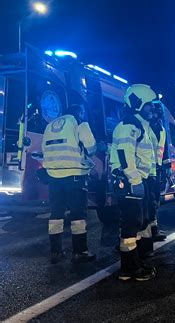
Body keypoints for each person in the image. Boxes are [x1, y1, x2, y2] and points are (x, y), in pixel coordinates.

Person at [110, 83, 158, 281]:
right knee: (131, 224)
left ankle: (134, 264)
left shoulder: (139, 126)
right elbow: (124, 155)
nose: (152, 109)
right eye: (149, 105)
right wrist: (135, 180)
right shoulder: (129, 126)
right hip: (130, 181)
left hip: (138, 180)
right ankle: (129, 269)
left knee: (139, 222)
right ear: (138, 104)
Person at [42, 104, 97, 264]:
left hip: (53, 176)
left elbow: (45, 149)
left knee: (56, 214)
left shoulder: (50, 125)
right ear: (79, 112)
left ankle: (56, 252)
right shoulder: (79, 123)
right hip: (74, 175)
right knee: (78, 215)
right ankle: (80, 252)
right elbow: (91, 147)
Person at [147, 100, 168, 242]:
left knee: (154, 201)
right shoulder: (145, 127)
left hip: (156, 169)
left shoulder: (161, 128)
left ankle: (153, 229)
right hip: (145, 170)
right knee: (147, 201)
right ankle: (147, 231)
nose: (156, 115)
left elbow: (163, 150)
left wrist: (166, 169)